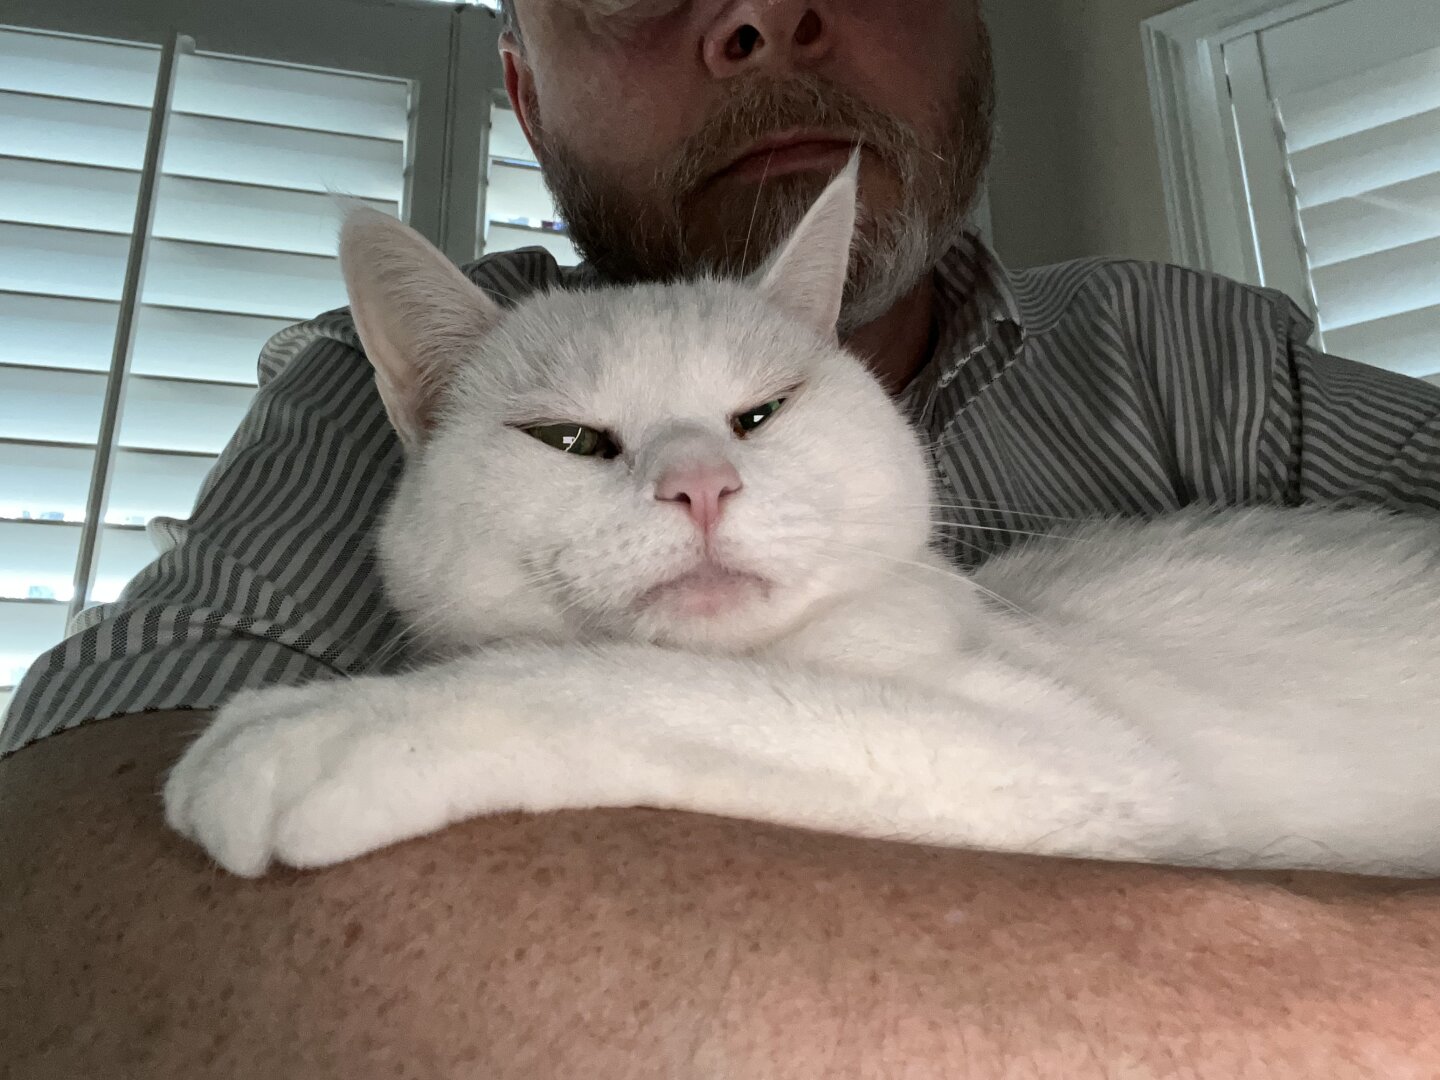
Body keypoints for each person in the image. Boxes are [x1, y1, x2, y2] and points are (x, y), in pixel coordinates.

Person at [3, 1, 1438, 1074]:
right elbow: (63, 872)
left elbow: (1099, 808)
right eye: (577, 443)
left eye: (762, 413)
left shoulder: (1190, 362)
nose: (700, 485)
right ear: (521, 88)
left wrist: (528, 725)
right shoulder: (359, 395)